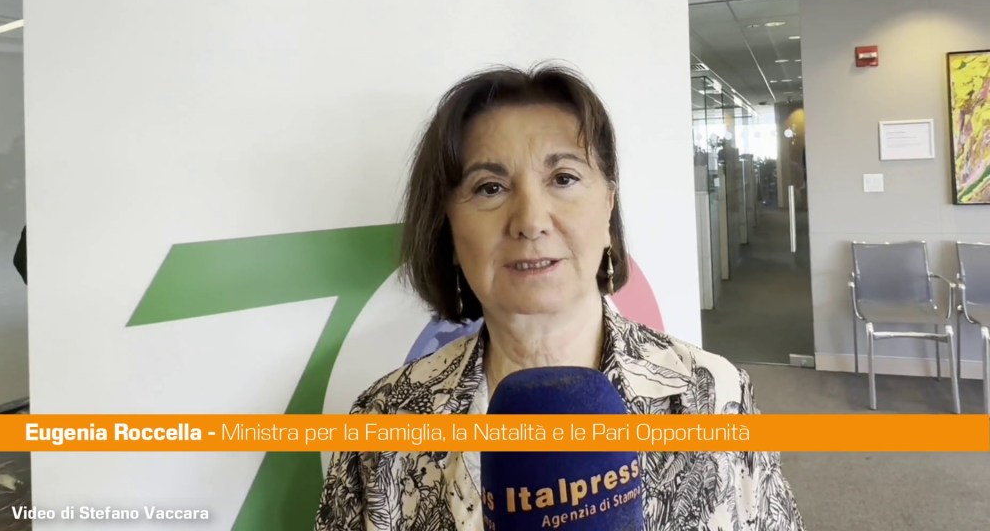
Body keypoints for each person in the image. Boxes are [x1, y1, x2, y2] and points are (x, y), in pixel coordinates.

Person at [315, 64, 805, 530]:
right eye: (490, 188)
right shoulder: (384, 419)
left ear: (608, 206)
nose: (530, 221)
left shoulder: (713, 394)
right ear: (450, 228)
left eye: (564, 179)